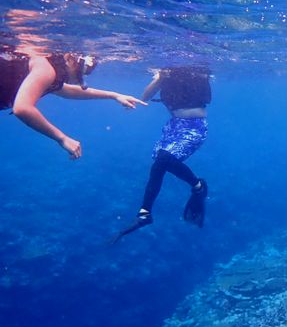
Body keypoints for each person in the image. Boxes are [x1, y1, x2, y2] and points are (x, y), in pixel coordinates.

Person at [113, 66, 210, 243]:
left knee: (163, 159)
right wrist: (159, 78)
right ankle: (145, 213)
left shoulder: (197, 69)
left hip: (195, 127)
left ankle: (198, 186)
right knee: (159, 163)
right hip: (174, 126)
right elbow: (145, 96)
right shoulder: (166, 71)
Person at [1, 49, 146, 159]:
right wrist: (62, 138)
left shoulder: (49, 72)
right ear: (70, 59)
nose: (80, 78)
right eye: (81, 70)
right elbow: (22, 108)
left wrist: (114, 95)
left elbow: (67, 91)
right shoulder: (46, 69)